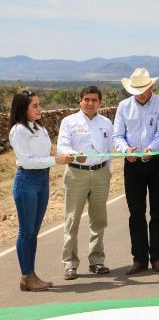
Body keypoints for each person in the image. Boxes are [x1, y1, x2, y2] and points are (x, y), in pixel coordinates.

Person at [9, 90, 73, 291]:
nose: (40, 109)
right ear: (23, 108)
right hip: (27, 181)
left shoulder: (38, 127)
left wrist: (62, 156)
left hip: (42, 180)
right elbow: (27, 161)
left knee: (34, 232)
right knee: (26, 232)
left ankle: (31, 275)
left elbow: (43, 154)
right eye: (35, 106)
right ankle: (26, 276)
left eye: (39, 104)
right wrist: (56, 160)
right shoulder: (18, 130)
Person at [113, 68, 159, 275]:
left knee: (158, 212)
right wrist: (125, 150)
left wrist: (151, 150)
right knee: (136, 213)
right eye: (136, 89)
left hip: (157, 163)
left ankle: (157, 257)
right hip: (132, 164)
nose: (140, 93)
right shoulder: (123, 106)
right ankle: (139, 258)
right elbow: (117, 135)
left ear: (151, 87)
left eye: (144, 89)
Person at [57, 86, 114, 280]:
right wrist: (75, 155)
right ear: (80, 101)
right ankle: (70, 264)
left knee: (98, 220)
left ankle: (96, 260)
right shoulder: (69, 122)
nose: (90, 103)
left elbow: (109, 149)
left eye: (94, 100)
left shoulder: (106, 123)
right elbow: (63, 146)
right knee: (72, 220)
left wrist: (109, 169)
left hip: (100, 174)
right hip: (76, 174)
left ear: (100, 102)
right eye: (87, 99)